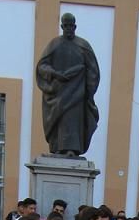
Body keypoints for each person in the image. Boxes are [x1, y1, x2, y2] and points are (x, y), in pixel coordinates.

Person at [36, 12, 100, 157]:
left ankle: (72, 149)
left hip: (77, 92)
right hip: (58, 91)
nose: (69, 28)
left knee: (73, 121)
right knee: (59, 118)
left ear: (75, 26)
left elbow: (93, 71)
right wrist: (54, 73)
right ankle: (58, 147)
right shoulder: (54, 44)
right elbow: (42, 66)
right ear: (62, 26)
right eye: (66, 26)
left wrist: (89, 91)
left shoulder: (83, 46)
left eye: (71, 26)